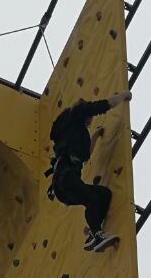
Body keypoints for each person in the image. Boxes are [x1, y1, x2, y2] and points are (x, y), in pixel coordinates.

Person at [46, 90, 132, 250]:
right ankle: (97, 234)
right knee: (91, 199)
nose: (92, 118)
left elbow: (85, 155)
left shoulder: (76, 134)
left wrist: (96, 136)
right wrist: (123, 96)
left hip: (64, 185)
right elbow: (104, 105)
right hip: (65, 177)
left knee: (104, 194)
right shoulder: (76, 116)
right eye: (90, 115)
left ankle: (93, 233)